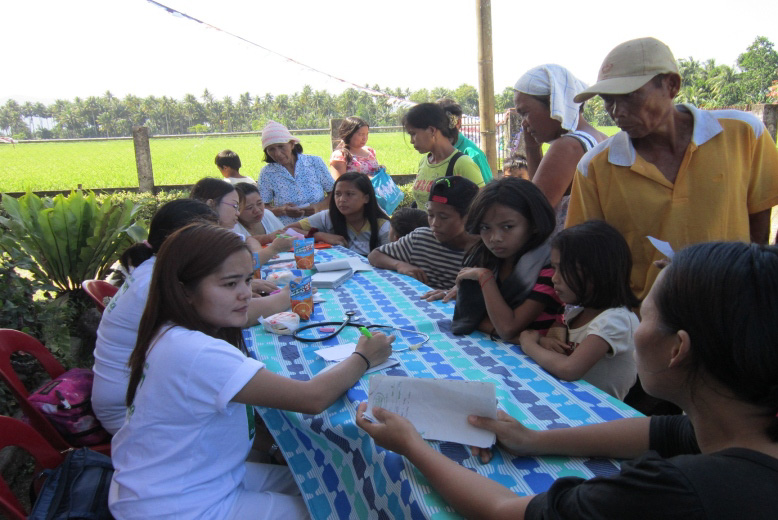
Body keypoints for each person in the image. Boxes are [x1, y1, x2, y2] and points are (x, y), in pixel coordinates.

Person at [357, 241, 778, 519]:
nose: (638, 326)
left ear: (677, 349)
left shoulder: (673, 491)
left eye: (647, 315)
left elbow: (505, 511)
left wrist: (411, 445)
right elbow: (661, 431)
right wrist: (533, 440)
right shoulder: (737, 425)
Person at [109, 223, 394, 519]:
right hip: (176, 506)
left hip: (178, 481)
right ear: (184, 290)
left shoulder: (168, 332)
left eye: (247, 280)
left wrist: (272, 448)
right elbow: (313, 398)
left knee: (327, 482)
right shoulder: (196, 351)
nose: (245, 294)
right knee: (339, 508)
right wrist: (363, 356)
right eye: (230, 284)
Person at [567, 37, 778, 300]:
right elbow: (589, 254)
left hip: (734, 306)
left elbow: (760, 221)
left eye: (629, 96)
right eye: (608, 101)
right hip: (647, 316)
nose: (617, 112)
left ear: (671, 85)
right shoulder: (594, 168)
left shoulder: (743, 133)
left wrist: (754, 286)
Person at [92, 200, 219, 434]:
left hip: (137, 391)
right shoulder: (154, 283)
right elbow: (221, 319)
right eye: (209, 238)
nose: (217, 246)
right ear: (179, 240)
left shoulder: (155, 267)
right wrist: (286, 296)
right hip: (128, 411)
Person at [518, 220, 639, 400]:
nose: (554, 279)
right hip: (569, 400)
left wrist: (529, 345)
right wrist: (542, 341)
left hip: (597, 411)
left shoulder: (615, 320)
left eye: (564, 269)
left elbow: (569, 369)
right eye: (554, 269)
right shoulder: (576, 312)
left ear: (597, 271)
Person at [451, 177, 562, 338]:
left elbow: (508, 328)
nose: (495, 238)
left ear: (534, 224)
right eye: (485, 227)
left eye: (508, 227)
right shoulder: (484, 257)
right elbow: (468, 318)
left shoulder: (550, 267)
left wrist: (485, 278)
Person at [513, 64, 607, 233]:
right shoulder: (600, 138)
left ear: (555, 105)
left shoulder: (567, 146)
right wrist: (532, 148)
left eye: (525, 112)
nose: (524, 123)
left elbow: (536, 213)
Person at [369, 176, 480, 300]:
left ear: (468, 217)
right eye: (431, 215)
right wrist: (399, 265)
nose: (435, 223)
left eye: (444, 217)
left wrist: (452, 293)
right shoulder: (421, 239)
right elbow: (375, 255)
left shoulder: (483, 251)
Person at [190, 177, 293, 266]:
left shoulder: (221, 232)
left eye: (259, 203)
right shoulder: (204, 241)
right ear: (211, 205)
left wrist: (259, 253)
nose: (238, 213)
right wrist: (273, 249)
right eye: (235, 206)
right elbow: (241, 267)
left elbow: (249, 240)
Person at [286, 172, 390, 255]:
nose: (342, 199)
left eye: (349, 194)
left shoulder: (382, 226)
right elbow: (286, 231)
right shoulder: (327, 218)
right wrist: (319, 236)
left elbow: (391, 257)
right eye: (338, 194)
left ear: (366, 198)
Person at [404, 103, 484, 208]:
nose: (411, 141)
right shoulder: (424, 162)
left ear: (432, 130)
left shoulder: (462, 164)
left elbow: (481, 206)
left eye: (413, 134)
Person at [258, 120, 334, 226]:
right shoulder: (267, 173)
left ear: (292, 144)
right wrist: (282, 210)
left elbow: (334, 193)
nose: (277, 154)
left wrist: (318, 207)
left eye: (281, 146)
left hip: (320, 224)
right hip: (288, 228)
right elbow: (262, 207)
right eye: (271, 149)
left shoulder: (314, 162)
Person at [437, 98, 493, 183]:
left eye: (441, 123)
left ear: (457, 122)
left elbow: (488, 189)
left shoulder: (473, 155)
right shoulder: (431, 156)